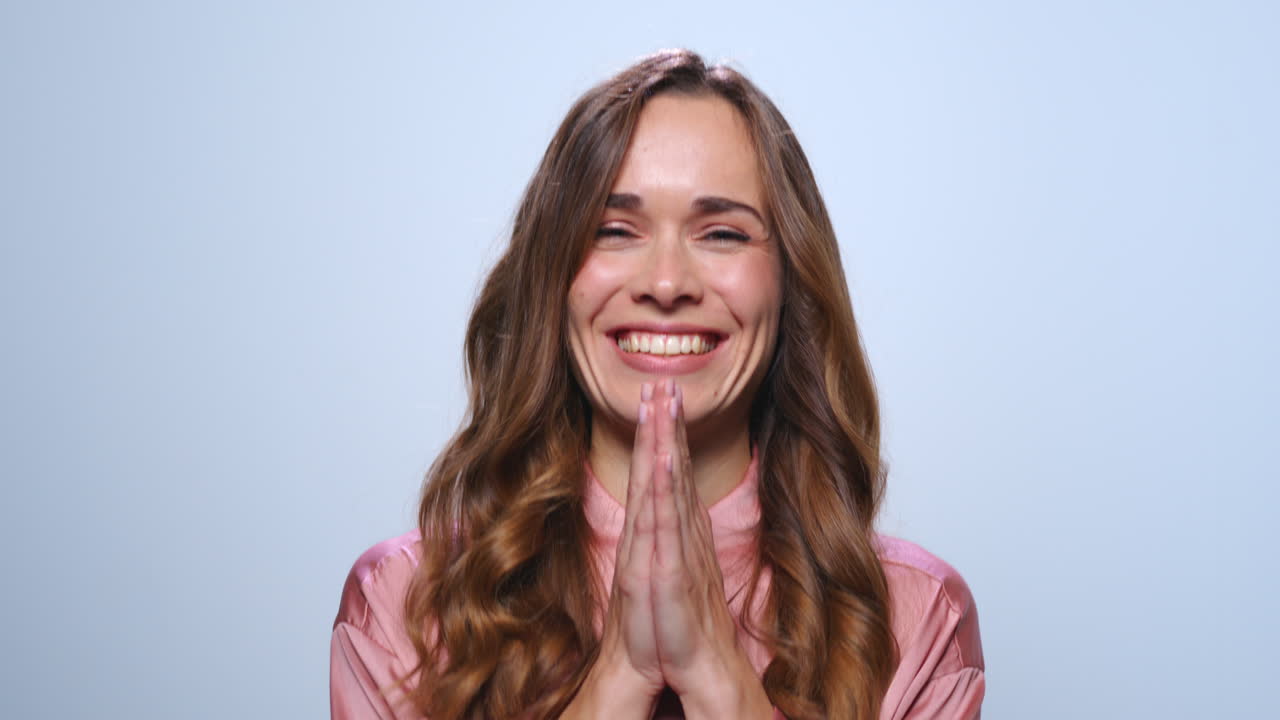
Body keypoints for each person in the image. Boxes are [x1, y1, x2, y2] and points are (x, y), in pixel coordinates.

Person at [330, 48, 984, 720]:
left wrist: (715, 675)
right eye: (615, 231)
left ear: (790, 283)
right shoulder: (403, 602)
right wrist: (622, 675)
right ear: (553, 281)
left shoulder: (916, 620)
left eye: (723, 233)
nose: (666, 284)